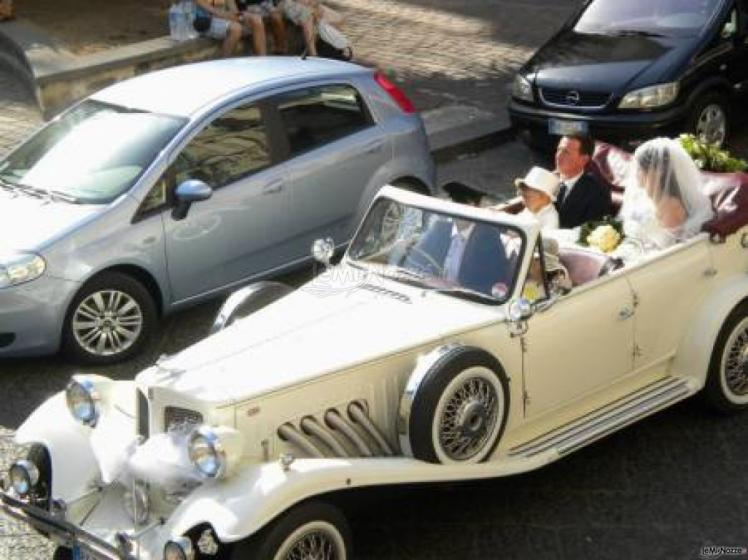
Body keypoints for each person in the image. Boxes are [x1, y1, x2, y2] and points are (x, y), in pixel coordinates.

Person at [619, 137, 714, 249]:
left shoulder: (671, 206)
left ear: (657, 171)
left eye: (639, 169)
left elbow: (669, 247)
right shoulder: (647, 198)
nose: (635, 174)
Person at [554, 135, 612, 229]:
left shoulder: (598, 193)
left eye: (566, 152)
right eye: (558, 150)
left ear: (584, 159)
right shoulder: (545, 179)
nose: (558, 156)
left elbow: (590, 234)